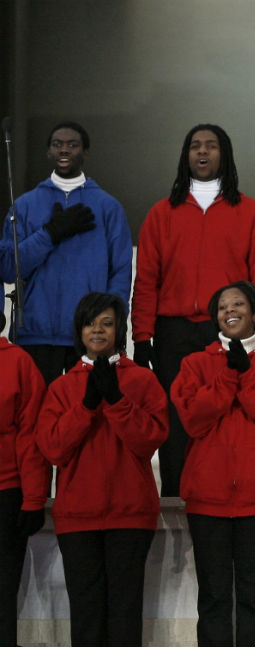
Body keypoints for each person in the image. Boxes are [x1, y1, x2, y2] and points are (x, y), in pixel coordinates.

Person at [132, 123, 255, 497]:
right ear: (186, 155)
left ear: (224, 154)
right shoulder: (161, 214)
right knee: (176, 420)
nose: (203, 152)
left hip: (228, 333)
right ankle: (175, 496)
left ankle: (221, 497)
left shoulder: (250, 212)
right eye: (195, 146)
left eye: (211, 146)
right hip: (174, 333)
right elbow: (147, 279)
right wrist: (142, 336)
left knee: (227, 417)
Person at [35, 292, 168, 647]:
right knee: (87, 616)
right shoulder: (63, 387)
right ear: (79, 331)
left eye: (107, 323)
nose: (98, 330)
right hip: (79, 516)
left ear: (118, 330)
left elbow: (149, 441)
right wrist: (87, 406)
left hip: (130, 515)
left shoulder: (142, 380)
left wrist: (117, 401)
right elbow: (52, 448)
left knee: (125, 616)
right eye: (91, 323)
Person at [173, 280, 255, 646]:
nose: (230, 311)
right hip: (208, 499)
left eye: (238, 304)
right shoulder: (194, 364)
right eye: (223, 306)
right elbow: (194, 419)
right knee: (212, 598)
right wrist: (231, 372)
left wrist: (246, 371)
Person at [0, 121, 133, 382]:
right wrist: (49, 234)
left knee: (86, 415)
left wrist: (112, 323)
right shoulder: (25, 205)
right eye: (57, 144)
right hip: (34, 331)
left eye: (72, 145)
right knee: (35, 415)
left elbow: (120, 271)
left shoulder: (108, 207)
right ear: (49, 151)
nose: (64, 150)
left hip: (89, 333)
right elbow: (8, 268)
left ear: (85, 152)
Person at [0, 311, 47, 647]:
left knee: (3, 594)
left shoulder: (18, 362)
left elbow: (30, 436)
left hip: (6, 491)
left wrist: (33, 498)